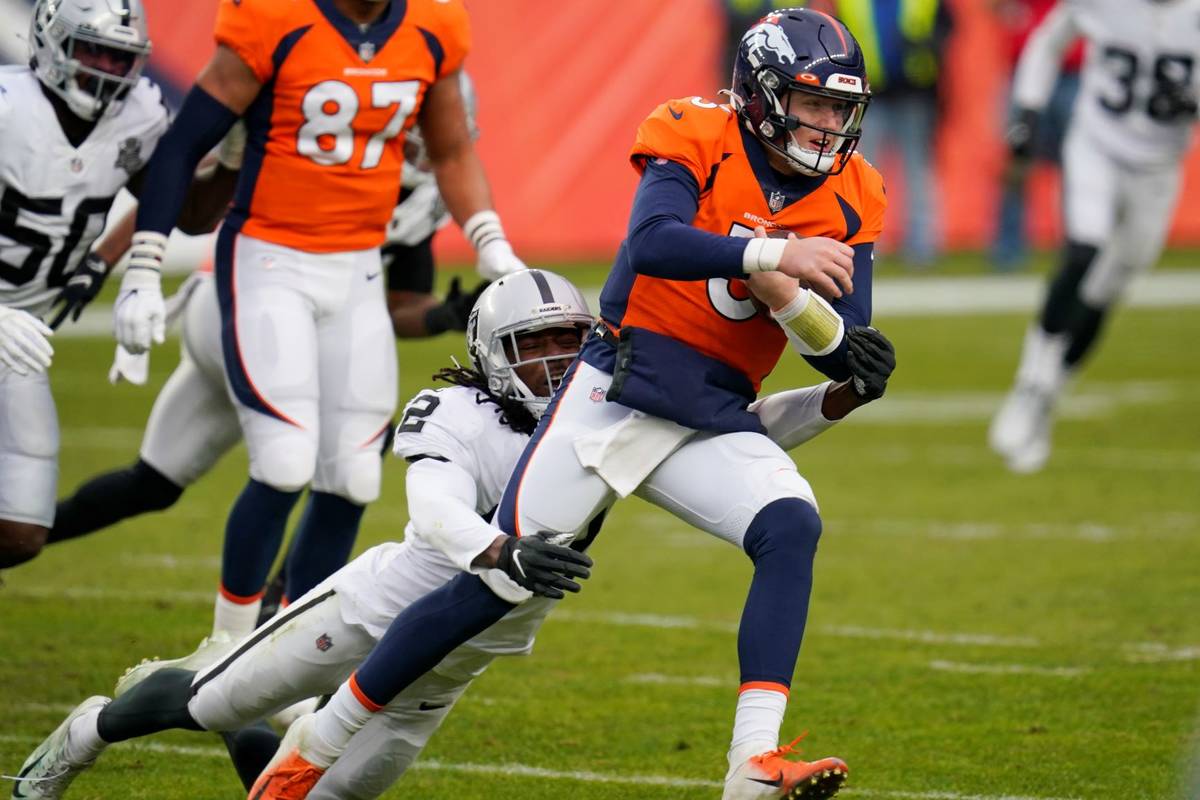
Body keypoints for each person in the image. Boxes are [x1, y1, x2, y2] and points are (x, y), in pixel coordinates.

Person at [251, 9, 897, 800]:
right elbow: (653, 240)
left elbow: (841, 340)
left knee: (791, 525)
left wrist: (823, 328)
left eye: (840, 108)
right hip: (618, 386)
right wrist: (769, 252)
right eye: (814, 104)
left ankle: (751, 766)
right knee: (499, 581)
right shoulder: (695, 132)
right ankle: (320, 741)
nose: (830, 124)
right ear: (762, 96)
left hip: (713, 409)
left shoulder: (857, 189)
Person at [11, 262, 887, 800]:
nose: (553, 362)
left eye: (566, 342)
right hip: (381, 605)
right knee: (210, 702)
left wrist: (837, 395)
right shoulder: (455, 409)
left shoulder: (614, 404)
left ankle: (279, 737)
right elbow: (430, 508)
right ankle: (87, 732)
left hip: (457, 664)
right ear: (489, 351)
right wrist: (497, 548)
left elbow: (743, 435)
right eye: (533, 345)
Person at [109, 0, 527, 640]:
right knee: (282, 461)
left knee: (355, 477)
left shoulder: (435, 24)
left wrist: (490, 240)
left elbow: (449, 151)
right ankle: (223, 646)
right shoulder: (273, 16)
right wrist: (142, 266)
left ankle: (286, 651)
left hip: (357, 266)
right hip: (270, 257)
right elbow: (185, 142)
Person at [0, 0, 233, 570]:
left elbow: (184, 211)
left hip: (21, 339)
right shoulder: (8, 110)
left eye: (120, 56)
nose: (107, 69)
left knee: (22, 531)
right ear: (52, 42)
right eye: (94, 50)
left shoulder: (139, 113)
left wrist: (232, 157)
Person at [988, 0, 1200, 473]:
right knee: (1084, 250)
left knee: (1108, 288)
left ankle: (1049, 394)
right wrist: (1027, 109)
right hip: (1097, 145)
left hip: (1160, 170)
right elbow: (1048, 42)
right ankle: (1030, 381)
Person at [811, 0, 954, 268]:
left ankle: (922, 244)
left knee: (917, 169)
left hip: (915, 91)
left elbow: (947, 28)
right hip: (867, 92)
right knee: (859, 168)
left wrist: (928, 47)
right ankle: (864, 239)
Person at [989, 0, 1083, 271]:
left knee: (1080, 164)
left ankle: (1079, 247)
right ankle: (1009, 248)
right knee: (1016, 160)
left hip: (1072, 70)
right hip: (1023, 69)